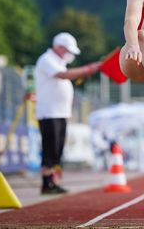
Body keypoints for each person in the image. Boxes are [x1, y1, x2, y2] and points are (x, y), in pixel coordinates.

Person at [35, 32, 102, 195]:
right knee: (50, 146)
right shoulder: (47, 60)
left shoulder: (57, 62)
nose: (69, 55)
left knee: (57, 147)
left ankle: (52, 180)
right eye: (67, 50)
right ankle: (46, 182)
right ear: (59, 47)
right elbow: (63, 75)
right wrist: (87, 69)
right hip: (49, 112)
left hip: (60, 112)